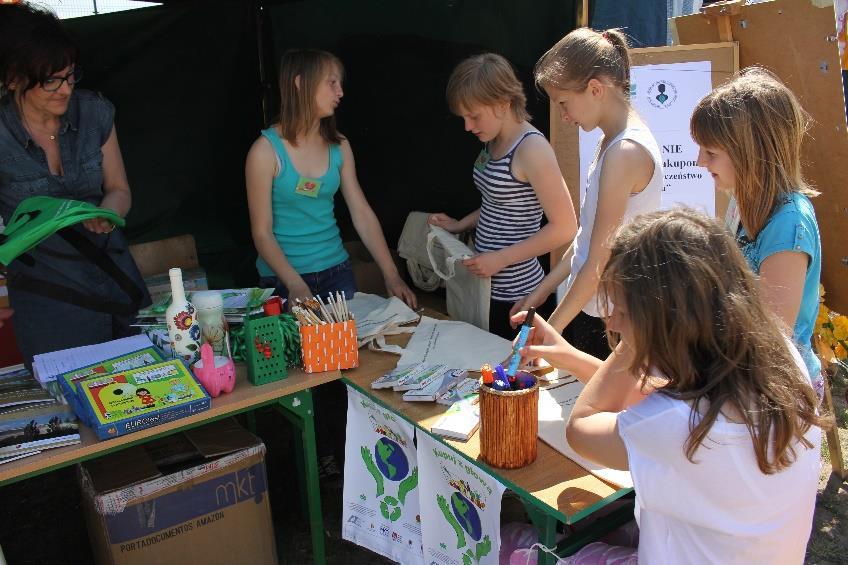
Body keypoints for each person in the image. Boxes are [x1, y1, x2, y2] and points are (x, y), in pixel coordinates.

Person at [514, 209, 828, 564]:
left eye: (621, 309)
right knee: (598, 519)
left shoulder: (676, 425)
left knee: (514, 538)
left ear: (665, 319)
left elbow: (582, 426)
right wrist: (571, 355)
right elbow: (650, 394)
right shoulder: (781, 361)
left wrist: (633, 344)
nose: (612, 321)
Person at [0, 3, 149, 367]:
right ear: (15, 79)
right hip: (48, 297)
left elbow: (119, 189)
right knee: (74, 403)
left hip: (116, 277)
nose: (65, 90)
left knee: (147, 386)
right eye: (51, 80)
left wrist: (109, 212)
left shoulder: (94, 112)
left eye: (69, 76)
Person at [510, 28, 662, 360]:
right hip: (593, 307)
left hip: (610, 318)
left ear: (595, 89)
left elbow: (599, 258)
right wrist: (543, 290)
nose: (564, 116)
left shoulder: (625, 151)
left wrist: (550, 331)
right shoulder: (611, 142)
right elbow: (586, 239)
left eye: (564, 104)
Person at [245, 48, 416, 309]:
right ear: (300, 83)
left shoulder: (339, 145)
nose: (340, 92)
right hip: (282, 281)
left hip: (337, 274)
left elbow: (361, 213)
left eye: (340, 83)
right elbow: (262, 232)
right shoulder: (264, 151)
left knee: (346, 350)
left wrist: (391, 274)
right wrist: (294, 283)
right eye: (331, 82)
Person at [692, 68, 823, 394]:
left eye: (710, 153)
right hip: (739, 369)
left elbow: (771, 337)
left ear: (751, 155)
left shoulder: (789, 225)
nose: (699, 162)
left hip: (776, 390)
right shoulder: (742, 200)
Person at [429, 53, 577, 339]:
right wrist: (460, 225)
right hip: (484, 289)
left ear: (502, 103)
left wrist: (501, 259)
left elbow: (565, 227)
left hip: (516, 298)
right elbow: (497, 204)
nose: (467, 127)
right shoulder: (493, 140)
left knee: (508, 380)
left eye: (474, 116)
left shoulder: (531, 149)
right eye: (464, 117)